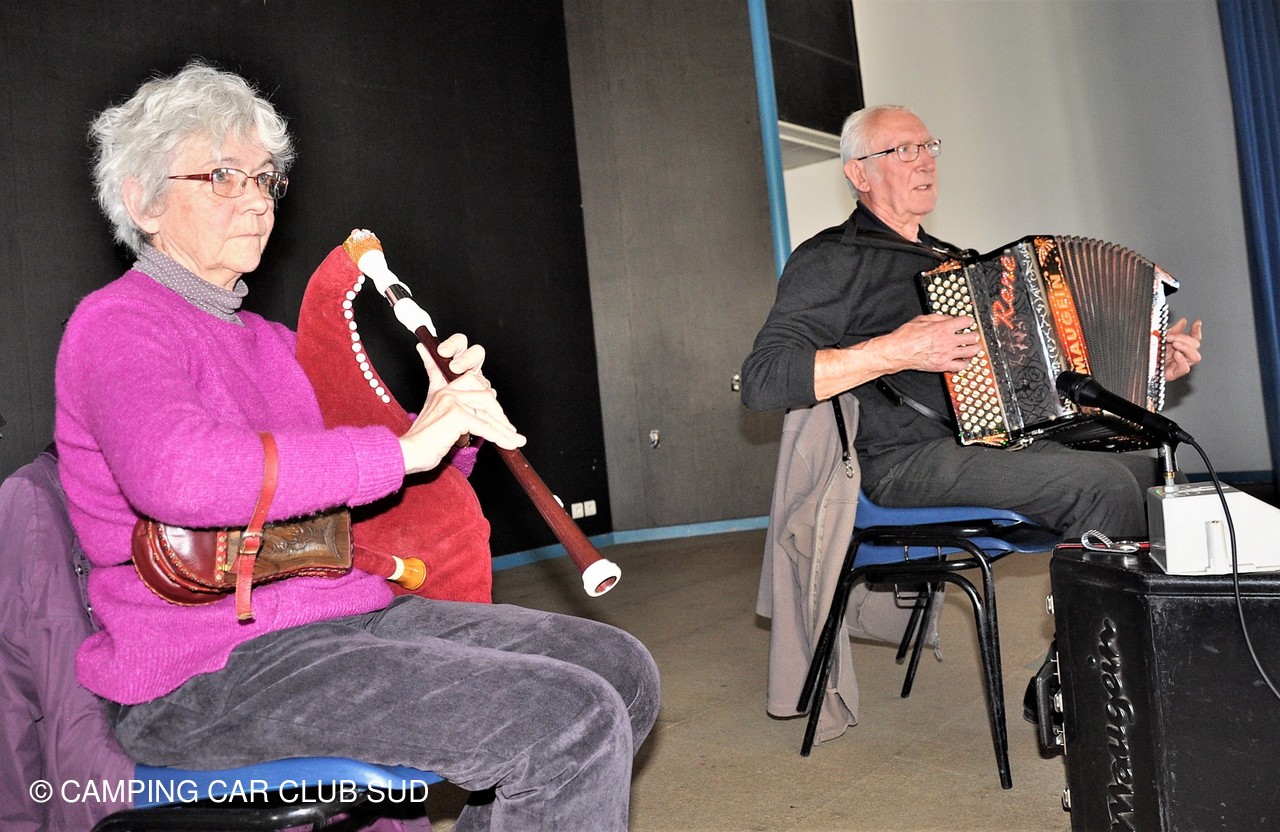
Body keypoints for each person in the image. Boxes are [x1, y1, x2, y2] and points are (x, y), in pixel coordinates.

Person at [55, 60, 659, 832]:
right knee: (568, 721)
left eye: (265, 179)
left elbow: (364, 487)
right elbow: (182, 474)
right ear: (143, 198)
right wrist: (402, 453)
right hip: (206, 672)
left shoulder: (271, 344)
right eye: (224, 176)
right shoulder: (116, 325)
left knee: (623, 673)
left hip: (340, 618)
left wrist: (445, 427)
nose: (256, 200)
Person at [741, 104, 1203, 538]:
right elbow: (764, 380)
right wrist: (895, 351)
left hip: (990, 446)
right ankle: (1102, 603)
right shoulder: (832, 260)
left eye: (928, 147)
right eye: (904, 150)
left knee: (1161, 479)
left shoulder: (956, 264)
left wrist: (1145, 370)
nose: (926, 161)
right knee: (1103, 485)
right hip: (898, 460)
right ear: (859, 174)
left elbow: (1035, 385)